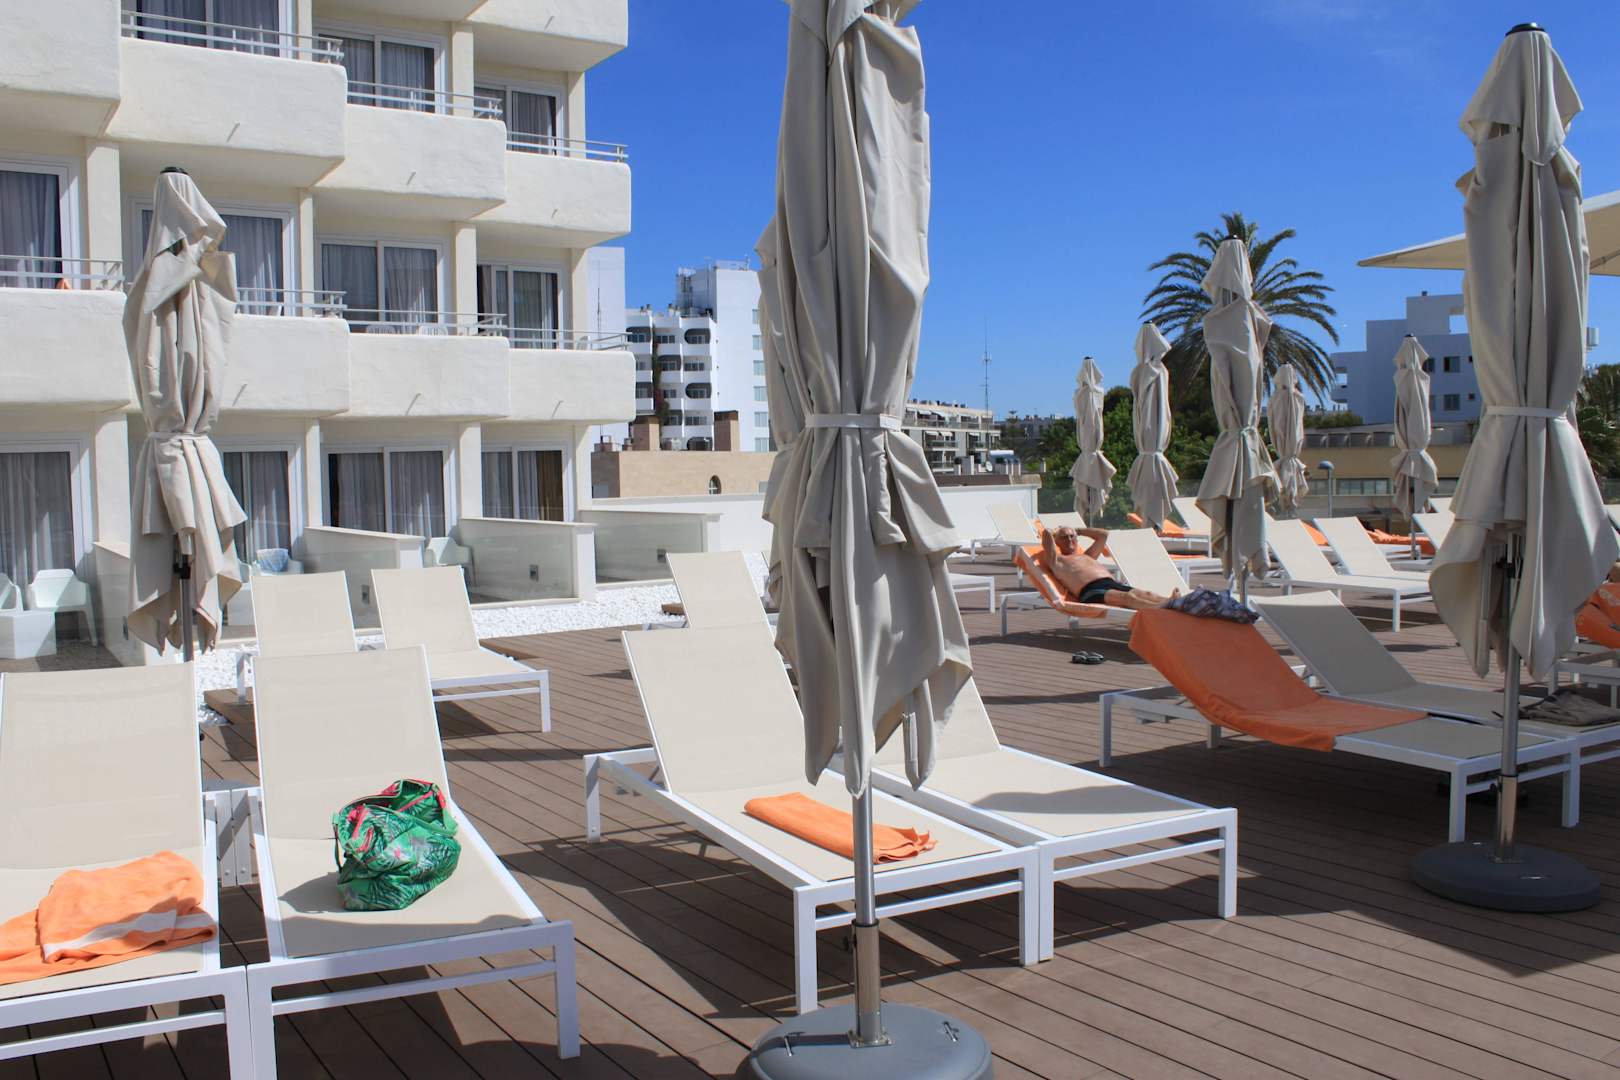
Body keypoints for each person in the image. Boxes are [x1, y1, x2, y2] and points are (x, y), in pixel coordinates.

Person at [1040, 525, 1176, 611]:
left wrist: (1079, 531)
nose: (1069, 540)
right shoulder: (1057, 560)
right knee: (1126, 597)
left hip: (1111, 583)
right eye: (1064, 537)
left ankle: (1173, 602)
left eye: (1072, 536)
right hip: (1090, 590)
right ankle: (1160, 607)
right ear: (1056, 541)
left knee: (1146, 594)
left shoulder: (1087, 556)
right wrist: (1054, 531)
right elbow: (1046, 532)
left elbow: (1103, 534)